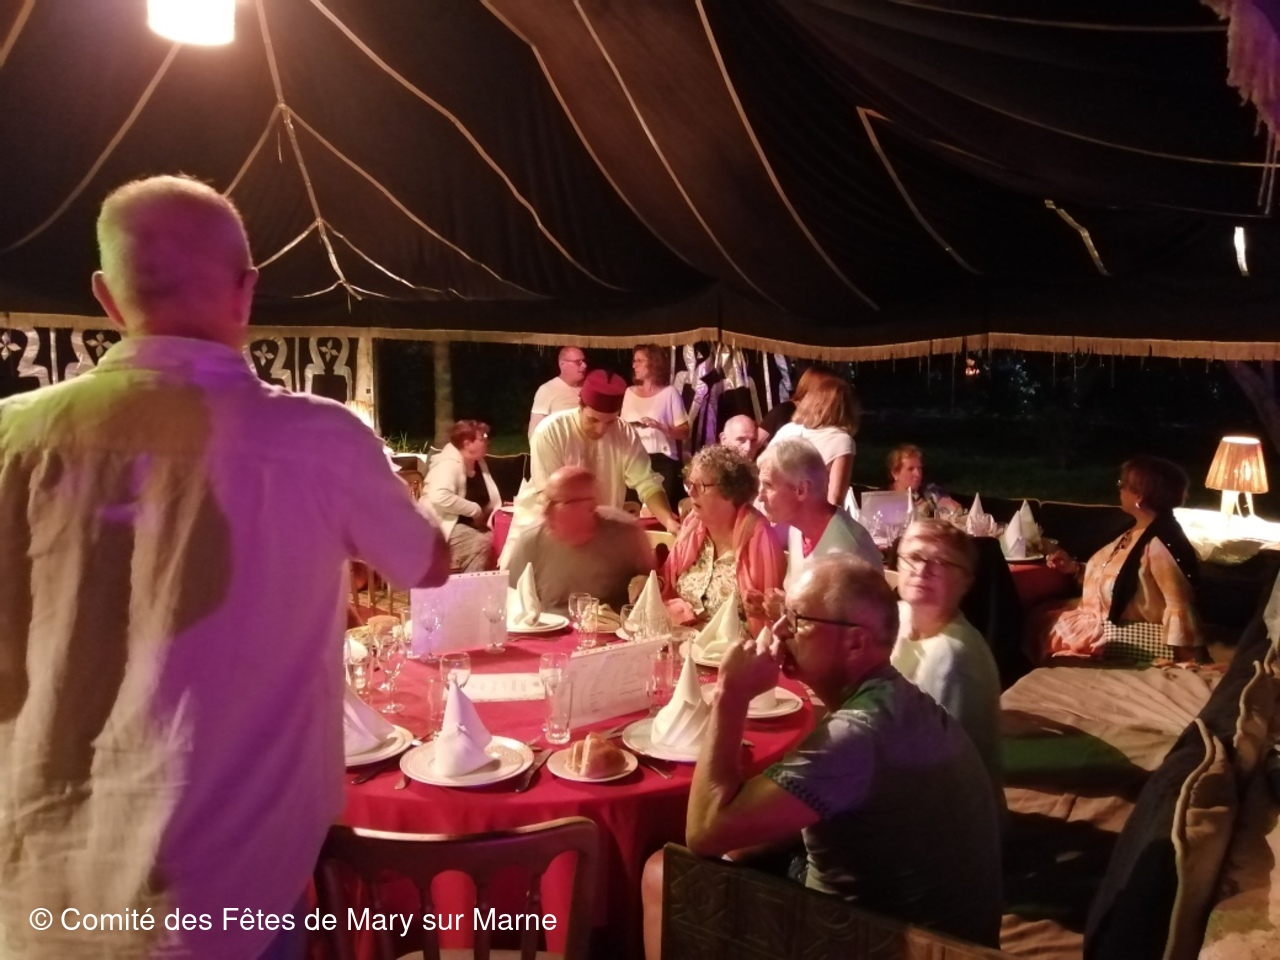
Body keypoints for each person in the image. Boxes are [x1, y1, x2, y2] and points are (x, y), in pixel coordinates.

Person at [0, 175, 450, 960]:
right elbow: (429, 564)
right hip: (226, 893)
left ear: (106, 297)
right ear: (247, 290)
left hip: (36, 886)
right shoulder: (317, 440)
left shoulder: (11, 436)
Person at [641, 557, 1003, 958]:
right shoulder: (896, 700)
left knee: (662, 871)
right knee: (744, 846)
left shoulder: (856, 735)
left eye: (798, 620)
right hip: (953, 935)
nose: (779, 630)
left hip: (890, 941)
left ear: (856, 642)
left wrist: (731, 694)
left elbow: (704, 833)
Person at [502, 370, 680, 568]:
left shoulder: (625, 434)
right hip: (545, 535)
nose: (601, 429)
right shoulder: (551, 431)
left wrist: (668, 521)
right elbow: (551, 498)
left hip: (594, 537)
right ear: (580, 406)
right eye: (593, 420)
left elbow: (647, 482)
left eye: (610, 422)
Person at [1039, 456, 1203, 661]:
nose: (1119, 489)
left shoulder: (1160, 545)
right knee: (1035, 617)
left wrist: (1186, 660)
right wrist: (1076, 569)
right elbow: (1119, 577)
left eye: (1123, 484)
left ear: (1140, 496)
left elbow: (1179, 604)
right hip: (1093, 621)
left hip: (1115, 634)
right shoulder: (1134, 529)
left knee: (1034, 627)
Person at [892, 520, 1002, 803]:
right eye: (914, 556)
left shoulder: (952, 658)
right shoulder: (898, 616)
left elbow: (941, 773)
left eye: (941, 562)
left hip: (946, 813)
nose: (922, 570)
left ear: (966, 581)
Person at [661, 445, 784, 634]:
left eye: (701, 486)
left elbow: (768, 623)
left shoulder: (758, 537)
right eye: (689, 483)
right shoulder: (692, 525)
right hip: (682, 639)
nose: (691, 492)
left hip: (731, 647)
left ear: (730, 492)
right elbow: (667, 583)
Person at [506, 466, 654, 613]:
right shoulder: (531, 541)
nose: (545, 512)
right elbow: (510, 599)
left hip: (610, 625)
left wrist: (647, 583)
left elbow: (654, 584)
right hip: (550, 626)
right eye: (545, 500)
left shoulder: (626, 534)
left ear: (590, 506)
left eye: (556, 502)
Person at [756, 439, 882, 594]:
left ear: (801, 490)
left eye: (768, 485)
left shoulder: (846, 553)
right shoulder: (797, 530)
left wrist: (786, 607)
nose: (760, 497)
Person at [765, 369, 860, 506]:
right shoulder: (842, 441)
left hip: (771, 507)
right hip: (805, 513)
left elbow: (763, 470)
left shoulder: (787, 429)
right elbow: (835, 498)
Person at [423, 419, 502, 572]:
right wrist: (473, 510)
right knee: (482, 544)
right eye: (482, 438)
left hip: (469, 525)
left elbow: (490, 498)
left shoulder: (478, 462)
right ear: (467, 444)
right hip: (443, 525)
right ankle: (471, 585)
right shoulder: (448, 464)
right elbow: (439, 495)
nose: (487, 441)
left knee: (503, 538)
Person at [622, 343, 690, 505]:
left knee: (659, 508)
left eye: (639, 361)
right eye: (634, 361)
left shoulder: (669, 393)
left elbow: (684, 432)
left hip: (662, 461)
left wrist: (661, 427)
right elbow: (623, 428)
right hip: (635, 459)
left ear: (654, 363)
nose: (634, 365)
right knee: (633, 508)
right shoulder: (629, 392)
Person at [887, 444, 960, 518]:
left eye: (919, 468)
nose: (917, 474)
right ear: (895, 473)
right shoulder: (883, 498)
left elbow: (958, 515)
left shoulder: (931, 493)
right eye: (910, 469)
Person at [527, 345, 587, 435]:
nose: (584, 365)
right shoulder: (547, 390)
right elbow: (535, 430)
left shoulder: (588, 388)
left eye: (584, 361)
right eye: (578, 362)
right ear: (562, 364)